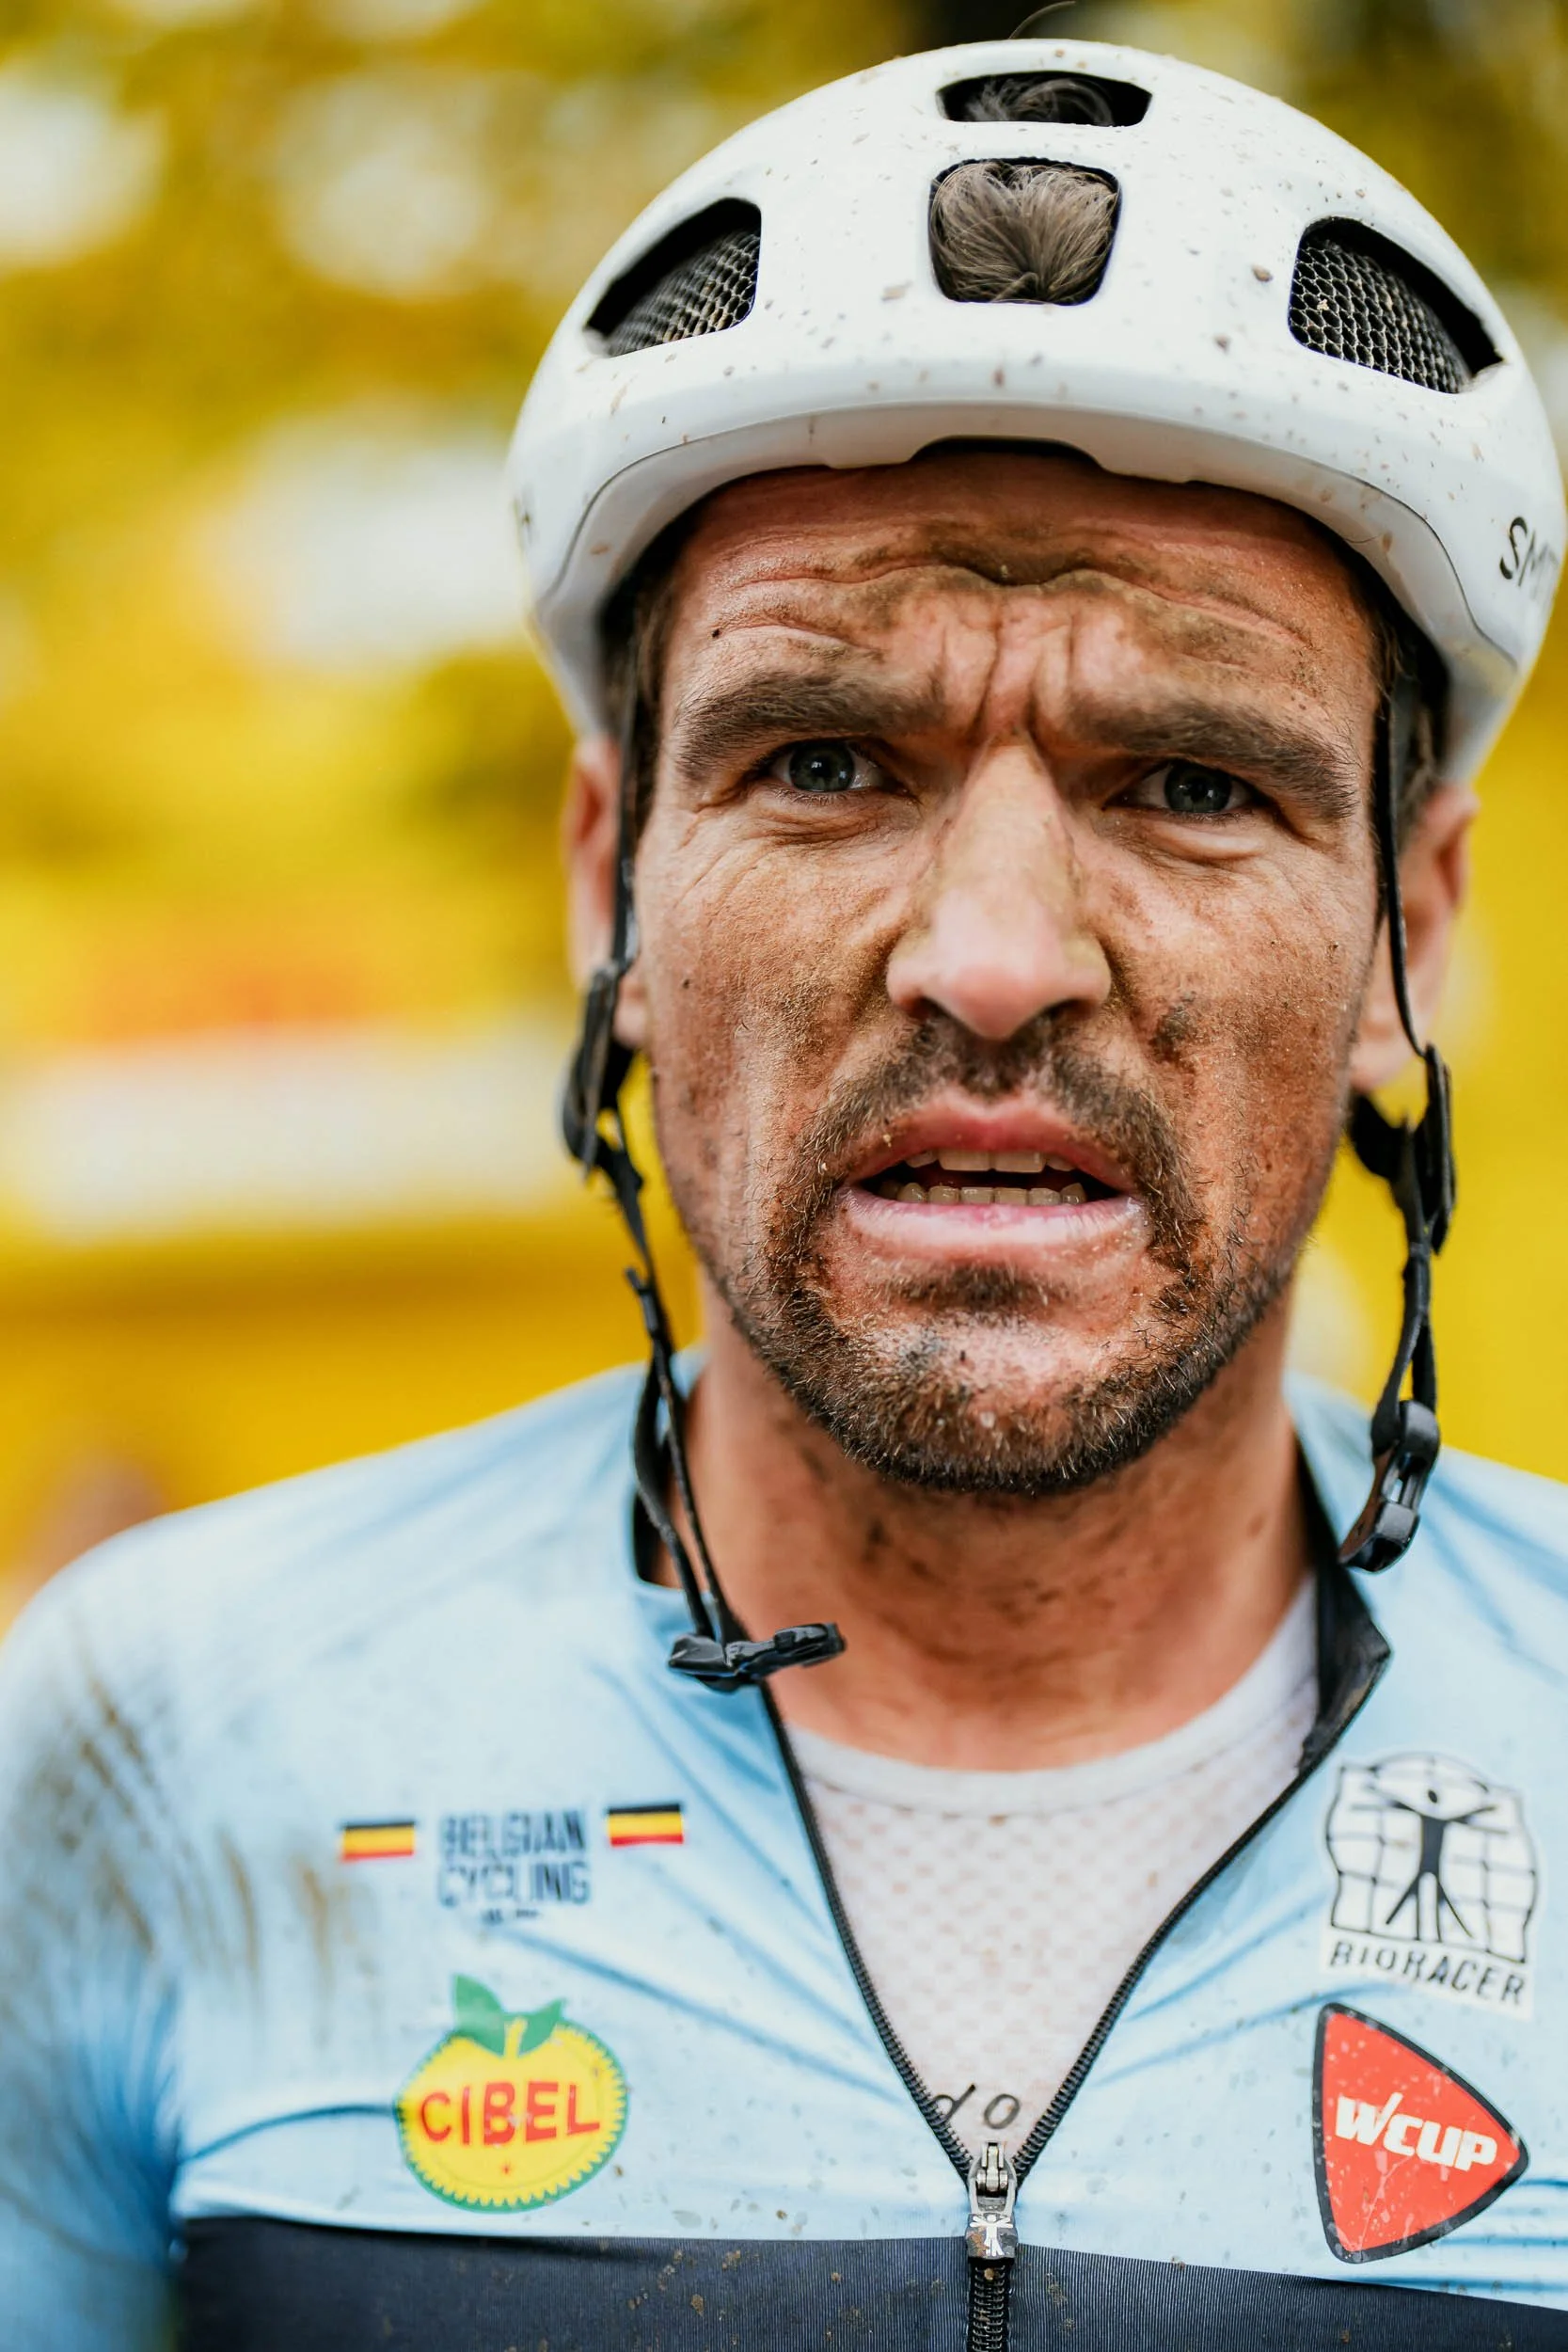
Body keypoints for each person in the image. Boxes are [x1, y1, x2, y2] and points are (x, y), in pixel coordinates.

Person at [0, 35, 1564, 2352]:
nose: (995, 958)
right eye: (824, 757)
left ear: (1405, 933)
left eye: (1187, 778)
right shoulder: (160, 1734)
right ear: (609, 886)